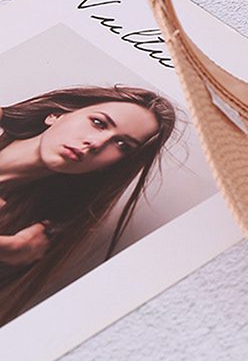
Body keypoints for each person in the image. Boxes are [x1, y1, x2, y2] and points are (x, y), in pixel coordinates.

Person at [0, 86, 176, 324]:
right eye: (98, 123)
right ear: (56, 115)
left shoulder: (33, 230)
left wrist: (15, 251)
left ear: (111, 165)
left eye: (122, 144)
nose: (96, 143)